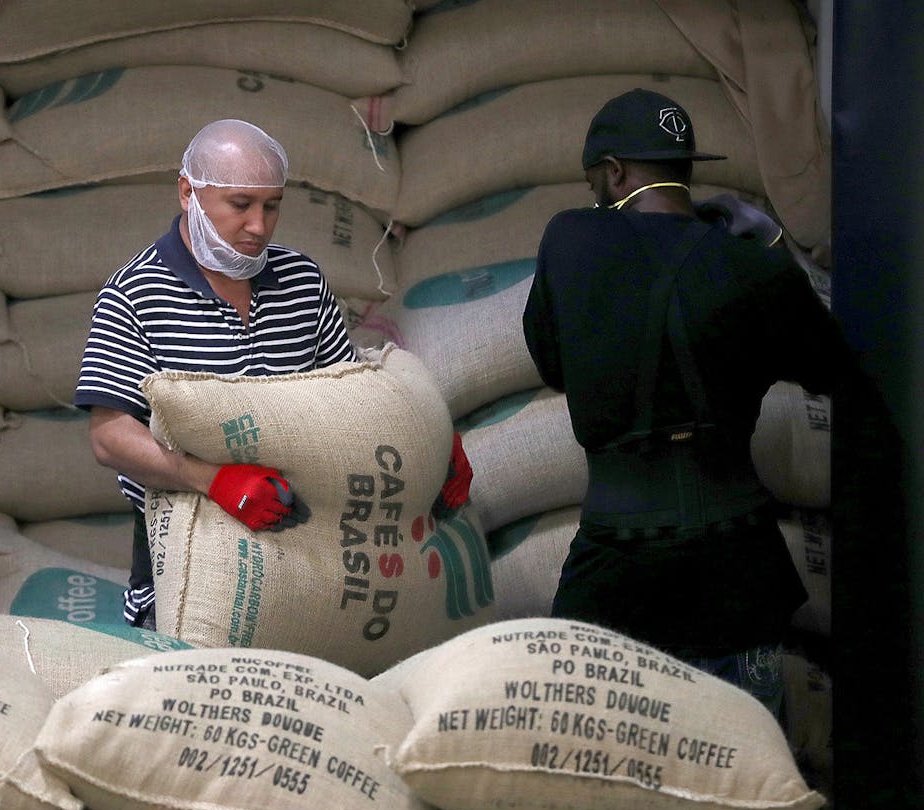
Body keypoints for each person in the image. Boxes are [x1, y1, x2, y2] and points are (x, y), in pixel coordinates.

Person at [522, 88, 854, 714]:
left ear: (614, 172)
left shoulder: (570, 240)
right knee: (748, 772)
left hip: (616, 564)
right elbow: (828, 366)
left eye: (598, 178)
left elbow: (552, 364)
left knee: (594, 754)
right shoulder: (750, 266)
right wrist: (774, 252)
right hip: (740, 564)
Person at [75, 118, 471, 630]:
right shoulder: (135, 294)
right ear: (187, 193)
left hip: (313, 551)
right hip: (191, 551)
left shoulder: (302, 282)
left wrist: (428, 443)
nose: (259, 226)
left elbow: (352, 398)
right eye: (240, 205)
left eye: (272, 205)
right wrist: (212, 479)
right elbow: (109, 437)